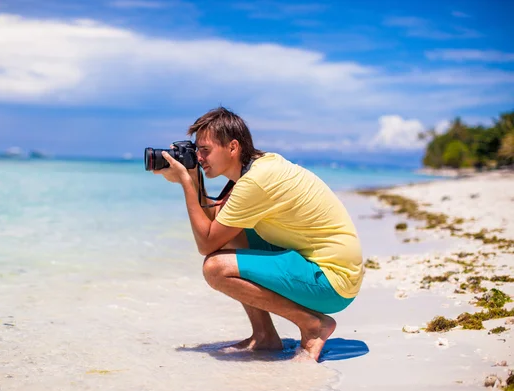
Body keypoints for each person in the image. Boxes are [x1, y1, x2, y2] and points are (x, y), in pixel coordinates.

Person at [154, 107, 363, 361]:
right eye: (197, 150)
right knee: (232, 233)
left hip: (332, 283)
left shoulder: (256, 181)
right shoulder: (258, 168)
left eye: (205, 150)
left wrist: (187, 184)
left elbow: (206, 244)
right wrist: (194, 180)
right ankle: (264, 335)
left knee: (215, 268)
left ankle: (313, 325)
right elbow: (217, 225)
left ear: (232, 148)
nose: (199, 158)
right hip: (326, 270)